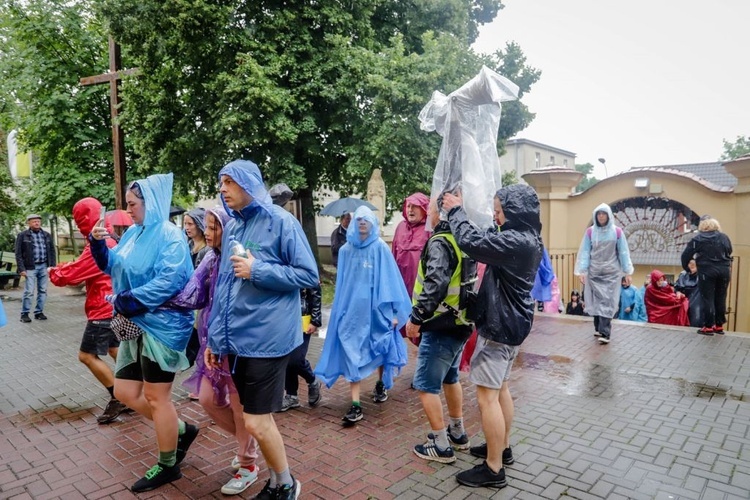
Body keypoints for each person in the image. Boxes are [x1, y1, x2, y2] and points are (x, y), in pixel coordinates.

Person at [206, 160, 318, 500]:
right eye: (220, 182)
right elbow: (224, 286)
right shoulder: (234, 228)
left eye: (229, 182)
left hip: (268, 338)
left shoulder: (282, 222)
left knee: (255, 421)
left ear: (248, 184)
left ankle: (286, 484)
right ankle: (276, 481)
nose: (222, 188)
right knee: (257, 418)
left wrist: (259, 270)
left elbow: (308, 275)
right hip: (238, 340)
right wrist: (214, 338)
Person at [90, 174, 198, 493]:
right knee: (124, 392)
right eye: (127, 203)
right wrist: (98, 245)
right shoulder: (134, 234)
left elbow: (171, 281)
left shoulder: (170, 236)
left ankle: (168, 465)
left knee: (156, 396)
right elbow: (115, 266)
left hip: (163, 329)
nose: (127, 209)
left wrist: (127, 300)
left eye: (132, 204)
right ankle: (180, 430)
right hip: (138, 324)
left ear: (151, 204)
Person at [442, 185, 543, 490]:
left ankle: (494, 469)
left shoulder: (515, 241)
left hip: (499, 328)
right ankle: (502, 448)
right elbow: (488, 237)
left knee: (487, 397)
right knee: (500, 390)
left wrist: (456, 211)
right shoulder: (528, 238)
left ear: (514, 211)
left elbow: (472, 243)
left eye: (499, 210)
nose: (495, 215)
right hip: (513, 325)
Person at [166, 206, 261, 496]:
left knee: (238, 405)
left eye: (213, 227)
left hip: (237, 344)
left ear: (228, 229)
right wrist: (159, 299)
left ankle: (248, 464)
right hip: (211, 343)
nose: (207, 232)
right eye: (205, 227)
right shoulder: (209, 257)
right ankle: (250, 444)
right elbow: (193, 293)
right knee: (207, 399)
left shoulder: (237, 258)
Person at [315, 206, 411, 424]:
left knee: (379, 347)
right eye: (358, 220)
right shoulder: (347, 251)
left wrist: (393, 312)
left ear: (373, 223)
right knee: (351, 351)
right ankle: (355, 404)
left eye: (366, 220)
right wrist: (339, 312)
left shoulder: (379, 249)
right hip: (352, 314)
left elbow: (390, 281)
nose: (362, 224)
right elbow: (342, 285)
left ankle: (380, 383)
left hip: (377, 311)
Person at [405, 197, 474, 464]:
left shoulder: (440, 242)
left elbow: (433, 285)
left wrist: (416, 318)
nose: (428, 214)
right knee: (451, 378)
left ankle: (440, 444)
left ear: (440, 214)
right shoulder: (462, 238)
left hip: (440, 324)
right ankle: (457, 432)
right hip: (460, 322)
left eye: (431, 208)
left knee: (425, 385)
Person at [48, 198, 126, 424]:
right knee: (114, 349)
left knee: (87, 356)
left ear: (82, 219)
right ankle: (132, 390)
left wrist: (55, 271)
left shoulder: (99, 243)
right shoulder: (111, 238)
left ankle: (118, 396)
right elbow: (83, 266)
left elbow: (73, 274)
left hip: (102, 309)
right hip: (116, 305)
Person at [268, 183, 323, 412]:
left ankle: (312, 380)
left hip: (303, 316)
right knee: (286, 356)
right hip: (283, 314)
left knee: (295, 358)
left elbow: (314, 286)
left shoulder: (299, 250)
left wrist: (315, 319)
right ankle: (291, 395)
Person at [574, 203, 634, 345]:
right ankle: (598, 328)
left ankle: (605, 332)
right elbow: (585, 252)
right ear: (596, 216)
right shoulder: (590, 232)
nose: (601, 216)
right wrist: (582, 271)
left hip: (611, 273)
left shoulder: (617, 232)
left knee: (606, 301)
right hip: (594, 272)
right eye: (599, 214)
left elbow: (623, 252)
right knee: (596, 300)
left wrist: (627, 271)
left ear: (608, 216)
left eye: (604, 214)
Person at [681, 217, 733, 335]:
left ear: (703, 226)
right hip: (724, 270)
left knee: (707, 297)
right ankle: (719, 325)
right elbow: (730, 250)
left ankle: (708, 326)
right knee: (721, 296)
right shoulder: (724, 237)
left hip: (707, 271)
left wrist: (687, 268)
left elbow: (686, 255)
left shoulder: (698, 238)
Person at [15, 214, 56, 323]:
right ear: (29, 223)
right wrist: (21, 269)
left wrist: (52, 266)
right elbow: (18, 253)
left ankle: (39, 312)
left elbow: (52, 251)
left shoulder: (46, 235)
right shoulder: (23, 235)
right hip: (30, 267)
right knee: (29, 291)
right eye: (34, 221)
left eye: (38, 221)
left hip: (44, 266)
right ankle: (24, 314)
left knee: (43, 290)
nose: (37, 223)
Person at [392, 192, 431, 298]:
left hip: (422, 290)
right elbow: (393, 256)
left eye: (414, 206)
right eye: (408, 206)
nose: (410, 210)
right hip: (401, 288)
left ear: (424, 208)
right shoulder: (400, 227)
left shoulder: (430, 228)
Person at [674, 259, 702, 327]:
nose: (692, 265)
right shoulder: (683, 275)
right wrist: (678, 292)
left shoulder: (702, 275)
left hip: (697, 306)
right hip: (684, 305)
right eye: (690, 263)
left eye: (694, 263)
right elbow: (677, 287)